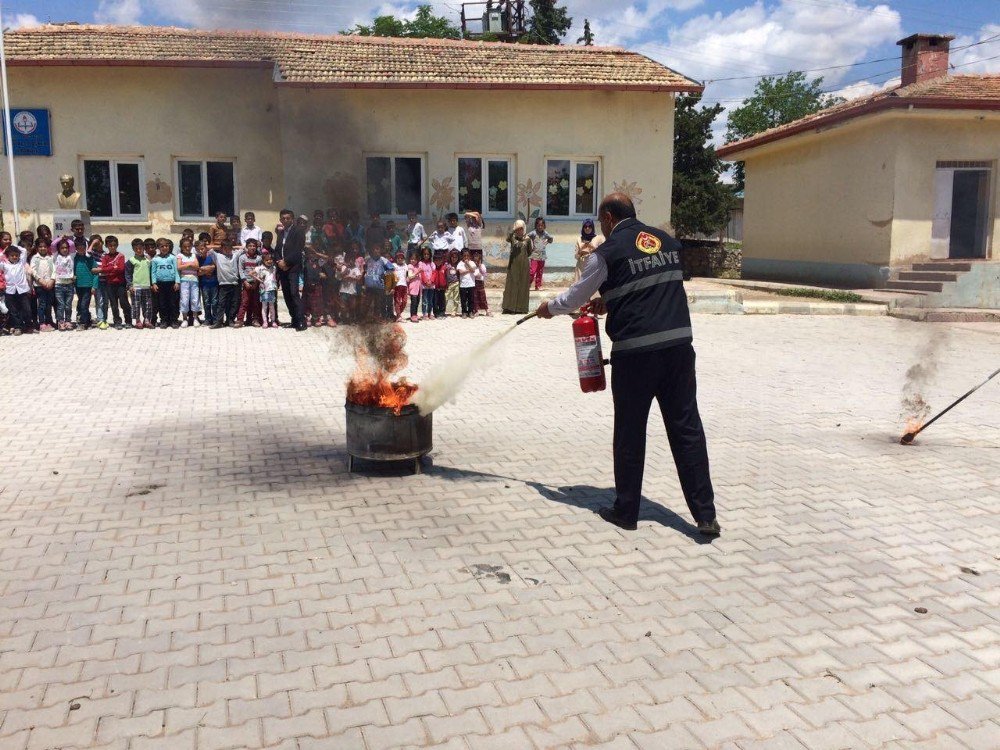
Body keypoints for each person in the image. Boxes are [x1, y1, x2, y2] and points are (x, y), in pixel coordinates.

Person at [533, 193, 719, 536]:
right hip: (679, 349)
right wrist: (613, 299)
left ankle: (626, 511)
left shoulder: (605, 252)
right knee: (687, 429)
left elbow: (575, 297)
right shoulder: (667, 242)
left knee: (630, 433)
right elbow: (654, 285)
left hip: (636, 357)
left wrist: (549, 307)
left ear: (607, 218)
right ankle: (706, 515)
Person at [274, 208, 306, 330]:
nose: (285, 220)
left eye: (288, 218)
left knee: (294, 293)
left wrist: (286, 262)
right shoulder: (280, 233)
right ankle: (294, 319)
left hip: (293, 267)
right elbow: (277, 249)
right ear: (280, 219)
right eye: (283, 218)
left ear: (292, 219)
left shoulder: (298, 231)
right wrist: (279, 262)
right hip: (282, 268)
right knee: (287, 294)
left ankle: (301, 321)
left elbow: (298, 250)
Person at [98, 236, 132, 329]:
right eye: (110, 245)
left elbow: (121, 269)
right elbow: (103, 269)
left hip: (120, 283)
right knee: (113, 304)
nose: (112, 247)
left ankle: (128, 321)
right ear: (107, 246)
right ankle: (117, 321)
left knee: (124, 303)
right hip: (110, 284)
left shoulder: (121, 256)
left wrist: (110, 269)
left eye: (114, 245)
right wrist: (114, 267)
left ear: (117, 245)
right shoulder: (105, 257)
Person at [501, 220, 531, 314]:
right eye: (517, 229)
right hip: (513, 265)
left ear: (524, 229)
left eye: (521, 229)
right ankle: (510, 308)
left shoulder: (528, 239)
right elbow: (507, 238)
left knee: (523, 286)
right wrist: (513, 230)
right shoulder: (512, 238)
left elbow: (529, 252)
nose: (519, 231)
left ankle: (521, 309)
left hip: (524, 266)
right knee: (512, 285)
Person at [1, 244, 32, 335]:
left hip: (22, 290)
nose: (14, 257)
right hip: (10, 291)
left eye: (16, 255)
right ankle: (18, 327)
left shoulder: (21, 262)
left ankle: (28, 325)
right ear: (8, 256)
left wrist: (12, 245)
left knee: (26, 309)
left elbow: (24, 251)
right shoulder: (5, 265)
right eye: (12, 255)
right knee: (13, 310)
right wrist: (3, 252)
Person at [150, 239, 180, 329]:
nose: (164, 248)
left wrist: (177, 282)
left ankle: (174, 320)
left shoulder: (173, 258)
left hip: (171, 284)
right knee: (162, 303)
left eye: (166, 246)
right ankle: (164, 320)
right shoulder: (155, 259)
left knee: (173, 303)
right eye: (162, 246)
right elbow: (153, 272)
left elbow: (177, 270)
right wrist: (154, 283)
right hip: (160, 284)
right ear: (158, 248)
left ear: (169, 247)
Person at [211, 240, 240, 328]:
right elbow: (209, 248)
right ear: (222, 249)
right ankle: (218, 322)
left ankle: (230, 320)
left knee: (234, 303)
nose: (228, 251)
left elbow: (244, 248)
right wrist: (220, 247)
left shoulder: (235, 255)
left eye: (229, 249)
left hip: (234, 283)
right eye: (225, 249)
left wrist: (233, 247)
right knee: (221, 303)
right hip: (223, 284)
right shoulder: (218, 256)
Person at [30, 239, 56, 332]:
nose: (43, 248)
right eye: (40, 246)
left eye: (44, 246)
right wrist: (41, 281)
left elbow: (54, 270)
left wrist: (52, 280)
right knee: (42, 304)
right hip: (39, 285)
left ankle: (48, 321)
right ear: (37, 248)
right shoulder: (34, 258)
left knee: (49, 304)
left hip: (50, 285)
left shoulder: (51, 258)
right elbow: (33, 271)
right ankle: (42, 323)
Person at [236, 238, 263, 327]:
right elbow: (241, 270)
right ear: (246, 247)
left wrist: (256, 283)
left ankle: (254, 319)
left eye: (254, 246)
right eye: (250, 246)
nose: (252, 248)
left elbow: (260, 271)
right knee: (245, 302)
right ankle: (240, 320)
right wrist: (245, 282)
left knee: (255, 302)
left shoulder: (259, 259)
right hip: (246, 283)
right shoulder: (242, 258)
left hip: (255, 283)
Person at [126, 238, 152, 329]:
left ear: (143, 248)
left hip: (147, 286)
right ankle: (137, 321)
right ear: (133, 249)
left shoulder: (148, 259)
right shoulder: (131, 260)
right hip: (136, 287)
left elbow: (151, 272)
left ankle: (147, 320)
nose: (138, 250)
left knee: (147, 305)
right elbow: (128, 274)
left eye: (140, 248)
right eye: (136, 249)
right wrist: (130, 285)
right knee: (136, 305)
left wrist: (152, 283)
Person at [73, 238, 97, 330]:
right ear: (76, 248)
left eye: (83, 247)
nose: (81, 249)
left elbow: (95, 273)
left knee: (84, 304)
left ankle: (83, 323)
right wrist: (73, 276)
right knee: (80, 304)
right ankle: (87, 320)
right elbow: (71, 270)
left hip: (88, 286)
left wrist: (94, 286)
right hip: (78, 286)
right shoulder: (75, 258)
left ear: (86, 247)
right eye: (78, 248)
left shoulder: (90, 258)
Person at [177, 238, 201, 327]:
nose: (187, 248)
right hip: (184, 280)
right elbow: (179, 267)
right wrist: (190, 265)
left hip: (194, 280)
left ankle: (195, 318)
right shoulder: (180, 255)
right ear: (181, 247)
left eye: (189, 246)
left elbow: (197, 266)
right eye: (185, 247)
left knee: (195, 299)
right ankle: (184, 319)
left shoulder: (193, 255)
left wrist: (186, 265)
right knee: (184, 299)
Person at [53, 238, 76, 331]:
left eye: (66, 247)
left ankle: (68, 321)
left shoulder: (71, 256)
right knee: (60, 305)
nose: (65, 249)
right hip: (59, 284)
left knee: (68, 305)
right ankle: (61, 322)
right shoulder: (55, 256)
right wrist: (60, 238)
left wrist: (67, 239)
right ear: (59, 249)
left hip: (69, 284)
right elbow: (53, 244)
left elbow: (73, 245)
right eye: (62, 248)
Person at [527, 217, 553, 291]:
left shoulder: (545, 233)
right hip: (534, 256)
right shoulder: (533, 233)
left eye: (542, 225)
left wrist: (547, 242)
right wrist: (529, 245)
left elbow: (551, 239)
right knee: (532, 271)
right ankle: (528, 284)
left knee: (540, 271)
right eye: (538, 225)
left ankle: (537, 286)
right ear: (536, 226)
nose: (540, 227)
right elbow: (526, 237)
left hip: (542, 256)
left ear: (544, 226)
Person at [196, 240, 217, 326]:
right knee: (206, 302)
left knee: (215, 302)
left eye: (202, 248)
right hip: (204, 284)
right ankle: (208, 319)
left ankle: (216, 319)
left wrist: (203, 269)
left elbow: (214, 267)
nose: (201, 251)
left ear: (206, 248)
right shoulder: (198, 259)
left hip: (214, 283)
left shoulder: (211, 256)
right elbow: (198, 272)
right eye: (198, 249)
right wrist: (207, 270)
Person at [575, 218, 603, 283]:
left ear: (592, 227)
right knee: (580, 287)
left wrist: (593, 248)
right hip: (581, 267)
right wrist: (580, 251)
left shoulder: (598, 238)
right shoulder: (579, 239)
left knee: (592, 287)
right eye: (585, 226)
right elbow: (576, 257)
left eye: (590, 226)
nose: (587, 228)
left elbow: (603, 254)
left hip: (593, 266)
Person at [337, 248, 361, 324]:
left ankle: (351, 320)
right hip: (343, 290)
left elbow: (359, 278)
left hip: (352, 291)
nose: (350, 261)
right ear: (346, 260)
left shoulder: (356, 269)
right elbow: (340, 277)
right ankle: (343, 319)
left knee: (352, 306)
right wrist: (346, 269)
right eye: (349, 259)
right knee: (343, 306)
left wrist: (352, 277)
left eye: (352, 259)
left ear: (354, 260)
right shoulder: (344, 267)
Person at [256, 254, 280, 328]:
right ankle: (265, 322)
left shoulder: (274, 268)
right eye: (267, 260)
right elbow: (251, 273)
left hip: (272, 289)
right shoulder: (260, 268)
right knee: (264, 307)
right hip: (264, 290)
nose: (269, 261)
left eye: (270, 259)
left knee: (272, 306)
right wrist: (259, 280)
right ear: (263, 261)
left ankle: (273, 321)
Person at [456, 249, 476, 319]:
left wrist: (467, 264)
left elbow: (473, 270)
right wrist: (469, 270)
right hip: (463, 285)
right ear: (462, 256)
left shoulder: (472, 262)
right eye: (464, 256)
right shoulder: (460, 263)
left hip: (471, 284)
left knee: (471, 299)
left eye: (468, 255)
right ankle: (464, 312)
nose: (466, 257)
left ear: (470, 256)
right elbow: (461, 272)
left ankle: (470, 312)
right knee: (463, 300)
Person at [417, 247, 436, 320]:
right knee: (424, 300)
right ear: (422, 255)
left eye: (428, 254)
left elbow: (434, 273)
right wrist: (425, 281)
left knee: (430, 300)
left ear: (430, 255)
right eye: (424, 254)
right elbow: (421, 273)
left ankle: (430, 313)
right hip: (424, 286)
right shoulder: (420, 263)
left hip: (431, 285)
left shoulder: (432, 263)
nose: (426, 256)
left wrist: (431, 281)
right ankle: (424, 314)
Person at [391, 250, 408, 321]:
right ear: (396, 258)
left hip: (404, 285)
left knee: (404, 301)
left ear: (404, 259)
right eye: (398, 258)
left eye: (401, 258)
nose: (400, 259)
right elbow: (392, 275)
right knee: (397, 301)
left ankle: (399, 314)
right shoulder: (394, 265)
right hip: (397, 285)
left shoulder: (405, 265)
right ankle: (398, 315)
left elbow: (407, 275)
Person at [472, 249, 489, 316]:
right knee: (475, 297)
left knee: (482, 297)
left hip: (480, 283)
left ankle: (487, 310)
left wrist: (479, 266)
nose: (476, 260)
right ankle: (476, 310)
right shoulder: (472, 266)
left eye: (477, 259)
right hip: (474, 282)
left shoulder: (482, 266)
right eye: (475, 259)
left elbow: (484, 273)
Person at [406, 251, 422, 323]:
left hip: (418, 287)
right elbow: (410, 276)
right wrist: (417, 272)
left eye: (415, 259)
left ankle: (415, 314)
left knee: (417, 301)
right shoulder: (410, 266)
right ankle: (412, 315)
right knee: (414, 302)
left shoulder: (418, 265)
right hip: (413, 287)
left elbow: (421, 265)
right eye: (412, 259)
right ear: (409, 259)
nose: (413, 260)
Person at [445, 249, 462, 317]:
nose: (454, 258)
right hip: (449, 284)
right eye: (452, 257)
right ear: (450, 257)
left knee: (456, 298)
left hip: (456, 283)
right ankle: (443, 309)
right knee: (446, 297)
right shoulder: (447, 264)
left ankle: (454, 311)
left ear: (458, 258)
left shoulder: (458, 265)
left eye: (456, 257)